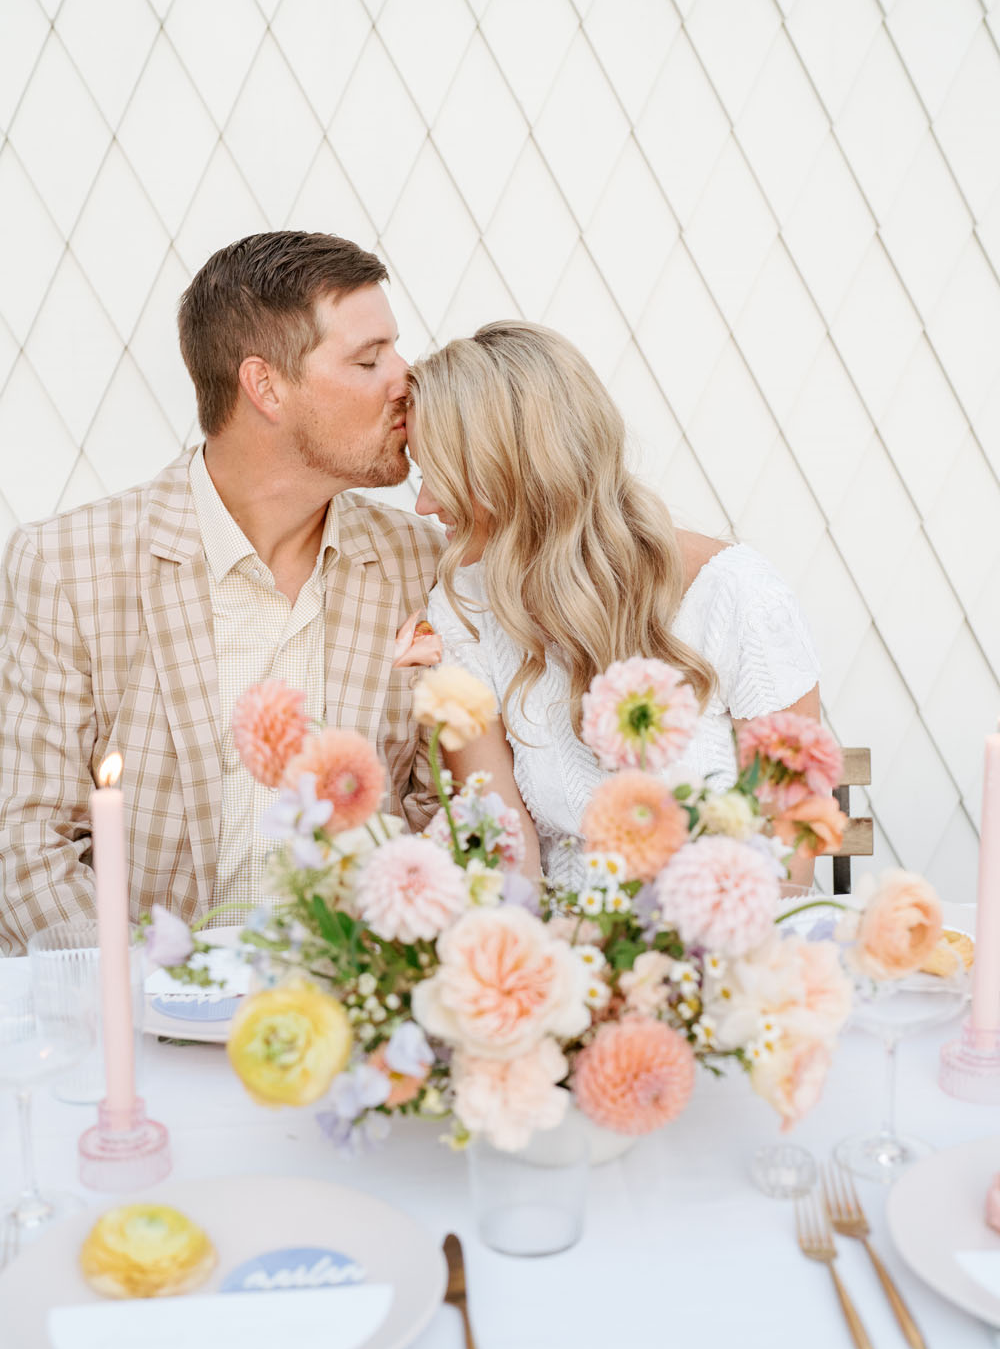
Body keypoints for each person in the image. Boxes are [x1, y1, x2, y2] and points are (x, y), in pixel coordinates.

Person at [0, 231, 443, 954]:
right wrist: (154, 1002)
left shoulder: (425, 561)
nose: (406, 379)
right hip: (150, 1025)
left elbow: (442, 817)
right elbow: (24, 843)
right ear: (264, 386)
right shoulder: (65, 566)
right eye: (369, 360)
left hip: (361, 1016)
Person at [407, 320, 823, 892]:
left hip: (724, 938)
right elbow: (507, 852)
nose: (426, 504)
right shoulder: (466, 609)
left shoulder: (734, 594)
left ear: (515, 475)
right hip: (565, 949)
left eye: (440, 476)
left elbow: (791, 830)